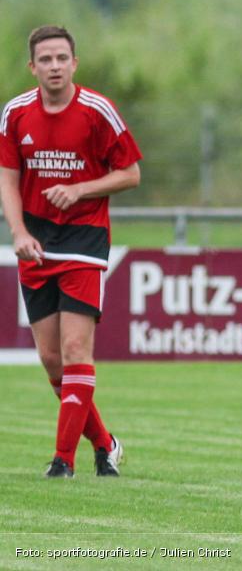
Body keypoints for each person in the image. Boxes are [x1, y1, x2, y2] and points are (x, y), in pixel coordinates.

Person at [0, 26, 142, 477]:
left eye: (62, 58)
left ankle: (63, 461)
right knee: (51, 359)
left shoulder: (98, 111)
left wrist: (81, 190)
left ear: (74, 63)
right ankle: (106, 443)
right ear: (33, 67)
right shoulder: (15, 113)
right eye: (46, 59)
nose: (55, 66)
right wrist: (18, 232)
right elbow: (7, 178)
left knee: (77, 346)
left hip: (84, 238)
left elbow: (130, 173)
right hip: (37, 242)